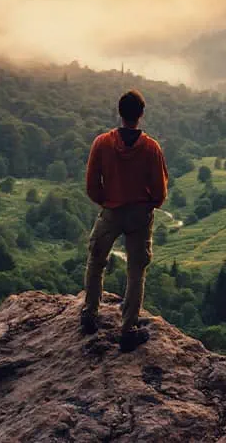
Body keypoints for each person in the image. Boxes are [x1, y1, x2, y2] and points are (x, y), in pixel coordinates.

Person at [80, 89, 169, 352]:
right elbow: (160, 189)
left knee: (96, 260)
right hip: (140, 213)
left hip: (111, 210)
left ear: (120, 113)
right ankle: (128, 328)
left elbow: (91, 183)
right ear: (141, 115)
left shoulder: (102, 143)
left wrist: (106, 202)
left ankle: (89, 314)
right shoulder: (151, 147)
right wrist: (149, 204)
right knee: (136, 269)